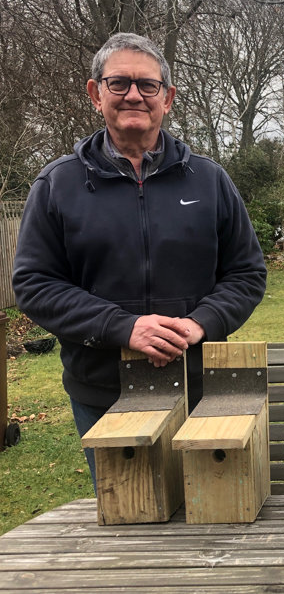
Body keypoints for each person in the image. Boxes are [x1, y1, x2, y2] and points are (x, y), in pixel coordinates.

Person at [12, 33, 267, 487]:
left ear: (167, 98)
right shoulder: (57, 185)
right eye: (119, 83)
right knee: (128, 520)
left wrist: (202, 322)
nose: (134, 94)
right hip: (102, 392)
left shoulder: (208, 180)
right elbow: (35, 284)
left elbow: (246, 273)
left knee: (214, 514)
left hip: (201, 388)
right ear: (95, 94)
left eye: (148, 85)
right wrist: (123, 327)